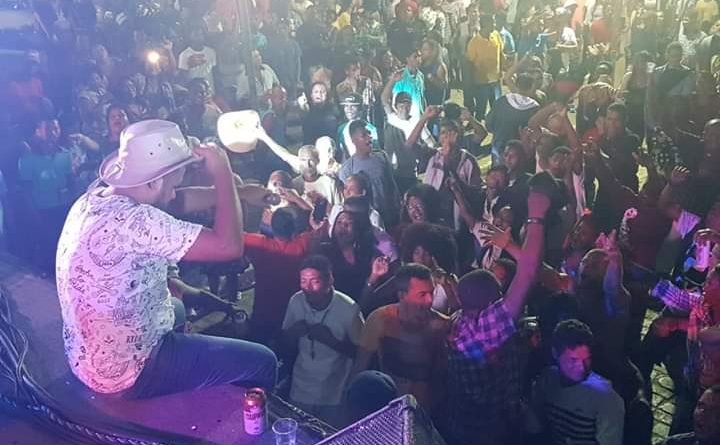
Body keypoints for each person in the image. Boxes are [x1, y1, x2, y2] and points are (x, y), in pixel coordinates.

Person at [55, 120, 277, 397]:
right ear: (153, 182)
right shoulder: (138, 222)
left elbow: (174, 201)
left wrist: (242, 193)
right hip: (127, 372)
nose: (174, 194)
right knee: (263, 362)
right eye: (173, 185)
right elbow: (228, 246)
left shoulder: (94, 199)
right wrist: (223, 173)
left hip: (86, 356)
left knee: (178, 309)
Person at [443, 175, 550, 445]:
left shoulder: (459, 320)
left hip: (465, 423)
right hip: (488, 432)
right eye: (498, 296)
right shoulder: (485, 329)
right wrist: (536, 215)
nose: (503, 300)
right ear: (489, 304)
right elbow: (527, 274)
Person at [353, 263, 450, 411]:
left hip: (428, 413)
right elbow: (360, 367)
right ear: (402, 295)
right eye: (422, 294)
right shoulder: (381, 319)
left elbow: (446, 378)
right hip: (388, 410)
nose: (429, 300)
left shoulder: (443, 326)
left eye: (432, 292)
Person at [281, 255, 364, 424]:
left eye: (315, 281)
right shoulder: (296, 301)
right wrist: (292, 333)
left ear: (330, 280)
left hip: (334, 394)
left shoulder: (348, 308)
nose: (308, 288)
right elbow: (284, 342)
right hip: (300, 389)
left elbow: (362, 353)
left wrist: (332, 342)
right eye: (303, 281)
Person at [528, 319, 625, 445]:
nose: (581, 367)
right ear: (555, 353)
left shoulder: (607, 399)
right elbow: (535, 426)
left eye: (586, 359)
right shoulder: (547, 380)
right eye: (573, 360)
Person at [423, 119, 483, 229]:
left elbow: (476, 192)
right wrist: (424, 117)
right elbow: (409, 147)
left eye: (449, 132)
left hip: (458, 217)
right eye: (443, 133)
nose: (446, 136)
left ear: (457, 135)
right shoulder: (434, 156)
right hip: (435, 212)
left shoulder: (468, 161)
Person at [339, 120, 399, 226]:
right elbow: (348, 200)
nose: (369, 137)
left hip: (389, 216)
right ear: (353, 140)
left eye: (369, 133)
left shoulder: (382, 157)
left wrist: (397, 206)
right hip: (365, 221)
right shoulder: (347, 169)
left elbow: (392, 185)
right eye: (363, 135)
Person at [486, 72, 540, 166]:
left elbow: (489, 124)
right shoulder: (534, 108)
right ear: (532, 87)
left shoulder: (501, 101)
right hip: (520, 151)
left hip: (499, 146)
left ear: (516, 84)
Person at [465, 14, 503, 120]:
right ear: (485, 24)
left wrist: (501, 70)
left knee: (497, 108)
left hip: (495, 80)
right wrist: (470, 83)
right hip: (481, 82)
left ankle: (494, 125)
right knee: (480, 109)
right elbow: (469, 63)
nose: (495, 25)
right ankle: (477, 126)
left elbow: (501, 53)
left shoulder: (496, 35)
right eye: (492, 23)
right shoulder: (474, 42)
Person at [178, 24, 217, 92]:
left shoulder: (211, 52)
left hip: (210, 91)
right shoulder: (184, 54)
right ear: (190, 37)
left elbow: (215, 72)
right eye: (196, 35)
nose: (199, 37)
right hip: (194, 93)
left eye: (201, 34)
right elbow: (183, 77)